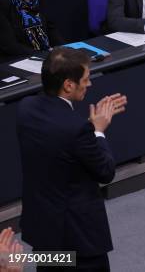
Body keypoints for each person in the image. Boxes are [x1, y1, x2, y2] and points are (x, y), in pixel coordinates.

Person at [17, 47, 127, 271]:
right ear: (68, 84)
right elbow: (105, 171)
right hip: (78, 241)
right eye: (86, 79)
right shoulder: (77, 130)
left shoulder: (25, 109)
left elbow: (60, 146)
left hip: (43, 231)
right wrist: (97, 131)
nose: (90, 84)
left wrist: (85, 129)